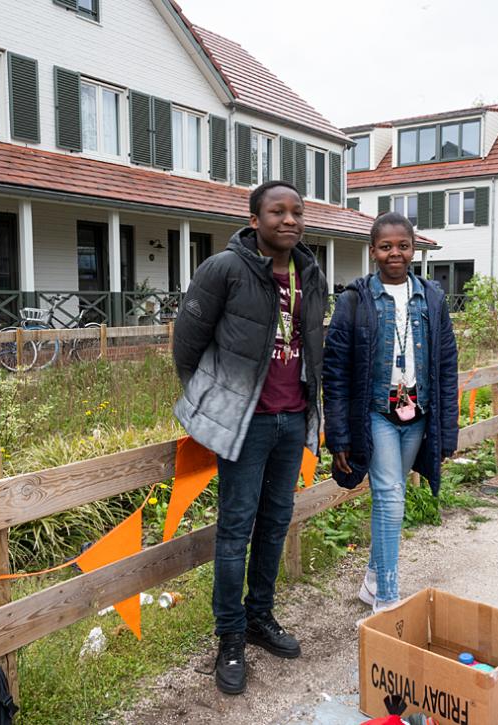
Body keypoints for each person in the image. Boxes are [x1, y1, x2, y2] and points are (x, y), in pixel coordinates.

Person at [172, 181, 326, 695]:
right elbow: (188, 343)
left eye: (296, 212)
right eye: (276, 211)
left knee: (276, 520)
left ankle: (260, 618)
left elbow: (311, 342)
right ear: (254, 218)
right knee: (235, 528)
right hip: (247, 422)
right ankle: (230, 637)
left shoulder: (310, 271)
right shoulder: (224, 269)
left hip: (294, 416)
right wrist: (216, 399)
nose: (289, 220)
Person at [323, 211, 458, 614]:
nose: (394, 253)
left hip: (416, 411)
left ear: (413, 249)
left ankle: (371, 580)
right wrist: (339, 432)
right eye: (386, 247)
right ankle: (387, 597)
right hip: (375, 413)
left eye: (402, 246)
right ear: (373, 251)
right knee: (389, 494)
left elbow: (447, 365)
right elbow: (335, 371)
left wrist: (447, 430)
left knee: (391, 496)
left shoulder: (432, 298)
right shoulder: (354, 301)